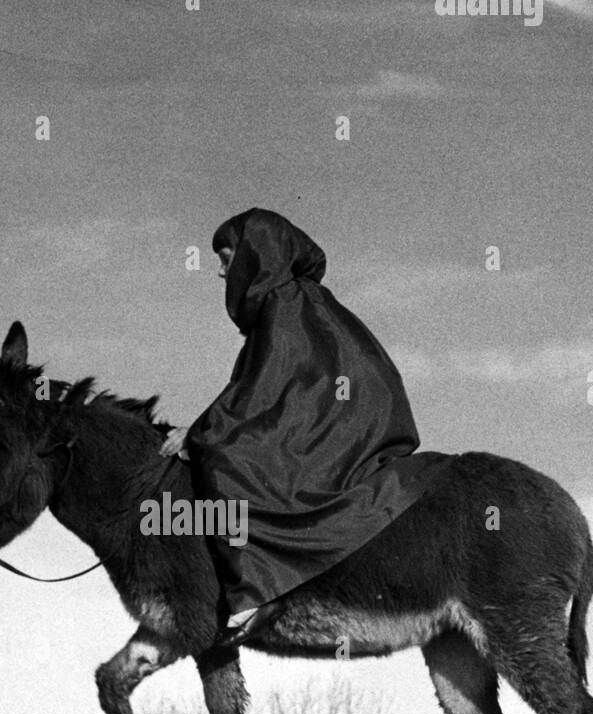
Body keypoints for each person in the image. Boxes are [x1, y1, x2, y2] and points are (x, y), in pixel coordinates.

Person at [162, 208, 423, 647]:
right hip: (338, 412)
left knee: (227, 459)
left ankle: (256, 590)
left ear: (253, 257)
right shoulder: (292, 302)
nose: (222, 271)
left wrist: (197, 433)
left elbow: (259, 392)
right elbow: (260, 389)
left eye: (227, 258)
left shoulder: (285, 303)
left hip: (339, 417)